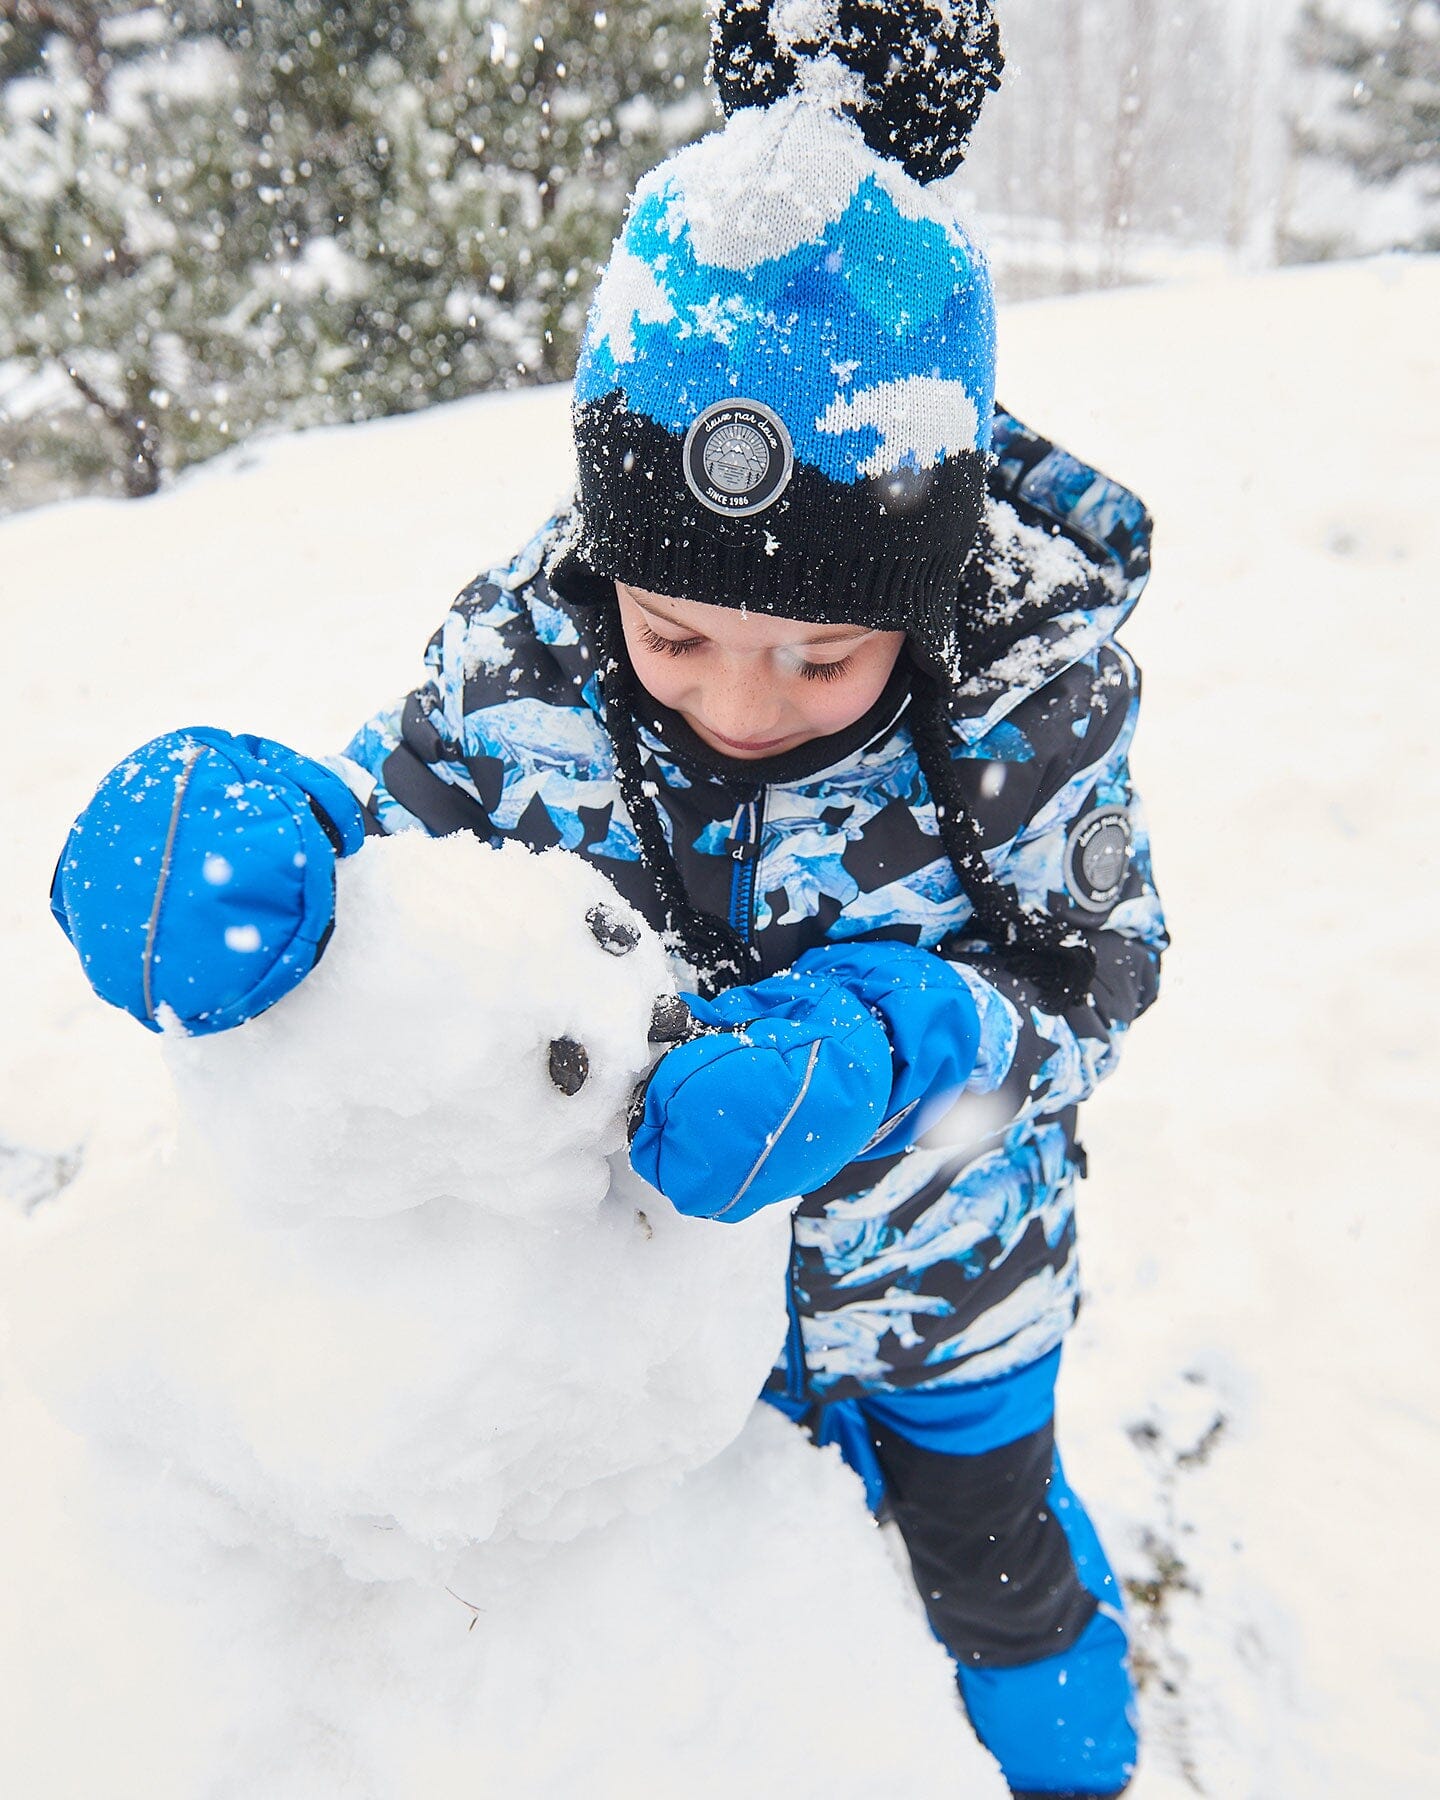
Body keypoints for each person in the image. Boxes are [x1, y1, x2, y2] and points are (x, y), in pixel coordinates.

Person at [49, 5, 1166, 1795]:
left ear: (929, 572)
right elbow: (399, 854)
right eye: (677, 637)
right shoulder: (522, 656)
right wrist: (265, 848)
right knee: (744, 1623)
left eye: (821, 654)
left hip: (958, 1296)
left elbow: (1094, 979)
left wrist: (908, 1037)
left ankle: (1078, 1766)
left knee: (1002, 1586)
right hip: (661, 1324)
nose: (739, 704)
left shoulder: (1027, 701)